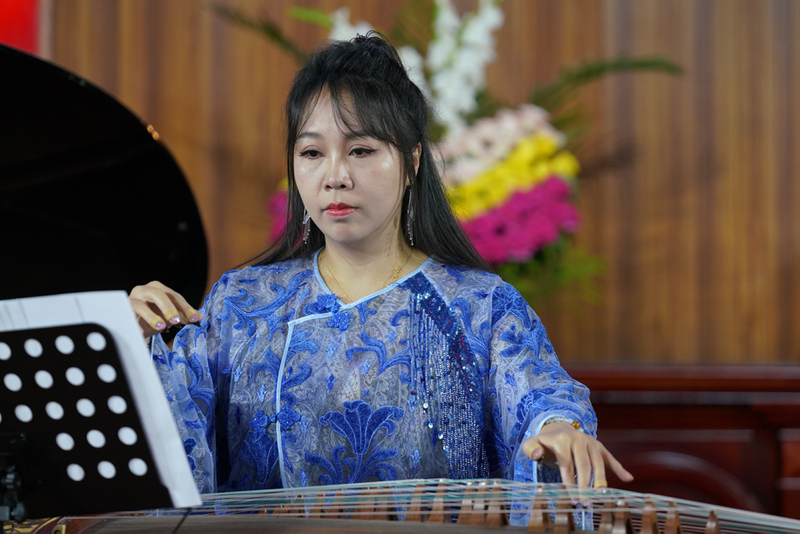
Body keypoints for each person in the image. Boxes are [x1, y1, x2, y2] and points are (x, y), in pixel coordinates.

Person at [129, 33, 632, 495]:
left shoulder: (480, 306)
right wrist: (131, 341)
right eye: (311, 152)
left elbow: (538, 396)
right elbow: (171, 430)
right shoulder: (242, 302)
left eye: (362, 150)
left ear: (413, 161)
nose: (335, 176)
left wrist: (557, 430)